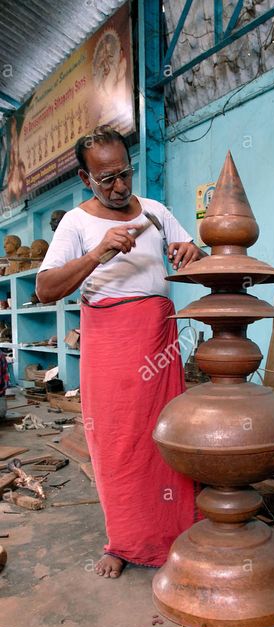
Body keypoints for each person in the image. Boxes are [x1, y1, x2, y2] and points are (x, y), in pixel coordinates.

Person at [36, 125, 205, 578]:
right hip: (109, 340)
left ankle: (176, 531)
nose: (119, 186)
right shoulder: (76, 223)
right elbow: (45, 289)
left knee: (164, 436)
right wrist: (97, 254)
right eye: (106, 178)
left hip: (157, 338)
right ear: (84, 178)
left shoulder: (154, 211)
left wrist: (193, 249)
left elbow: (198, 256)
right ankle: (124, 542)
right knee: (116, 441)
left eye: (125, 174)